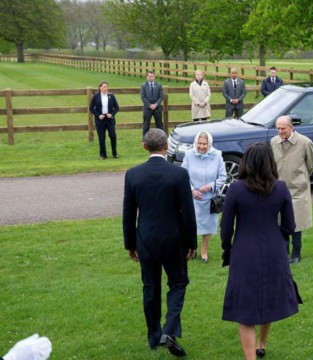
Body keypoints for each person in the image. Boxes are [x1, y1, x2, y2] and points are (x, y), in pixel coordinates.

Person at [220, 142, 302, 360]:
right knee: (268, 297)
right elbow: (289, 227)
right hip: (274, 249)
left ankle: (252, 356)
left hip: (244, 251)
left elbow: (226, 227)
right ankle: (261, 343)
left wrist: (226, 247)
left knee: (245, 308)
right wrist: (277, 237)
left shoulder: (236, 189)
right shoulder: (281, 188)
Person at [122, 129, 197, 357]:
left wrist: (130, 244)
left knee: (150, 288)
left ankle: (154, 336)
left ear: (145, 146)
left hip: (146, 239)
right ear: (166, 147)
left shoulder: (133, 174)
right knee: (178, 283)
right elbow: (187, 212)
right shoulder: (178, 174)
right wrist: (192, 242)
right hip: (174, 240)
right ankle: (170, 330)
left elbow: (128, 213)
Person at [270, 115, 313, 264]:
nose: (280, 131)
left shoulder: (305, 142)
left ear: (291, 127)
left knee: (296, 223)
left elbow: (312, 164)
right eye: (278, 128)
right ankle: (284, 252)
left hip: (298, 190)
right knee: (280, 222)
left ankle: (296, 253)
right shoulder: (273, 142)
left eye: (283, 128)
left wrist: (299, 177)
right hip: (279, 189)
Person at [181, 131, 227, 263]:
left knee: (208, 225)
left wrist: (211, 186)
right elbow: (183, 175)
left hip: (210, 198)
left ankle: (204, 250)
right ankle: (192, 248)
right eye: (199, 143)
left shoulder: (217, 155)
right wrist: (192, 190)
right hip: (193, 198)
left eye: (204, 144)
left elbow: (223, 177)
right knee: (191, 224)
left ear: (209, 144)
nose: (201, 146)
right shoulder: (189, 154)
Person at [89, 81, 119, 160]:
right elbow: (91, 108)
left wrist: (112, 114)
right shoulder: (96, 96)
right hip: (100, 120)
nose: (106, 88)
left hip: (109, 120)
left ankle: (114, 153)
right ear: (100, 88)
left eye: (106, 86)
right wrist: (98, 115)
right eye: (104, 86)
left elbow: (117, 107)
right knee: (101, 138)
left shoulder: (111, 96)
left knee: (113, 136)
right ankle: (103, 155)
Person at [140, 70, 164, 138]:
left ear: (154, 76)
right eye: (149, 76)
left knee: (159, 125)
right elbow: (143, 97)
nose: (151, 78)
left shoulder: (159, 85)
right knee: (146, 125)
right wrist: (149, 105)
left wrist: (156, 104)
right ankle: (145, 139)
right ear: (147, 77)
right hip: (147, 108)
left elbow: (161, 96)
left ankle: (161, 138)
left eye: (152, 76)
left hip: (157, 108)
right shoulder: (143, 86)